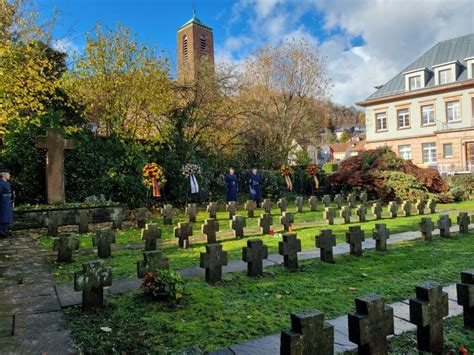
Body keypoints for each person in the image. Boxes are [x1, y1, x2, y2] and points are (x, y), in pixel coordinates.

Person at [0, 169, 13, 238]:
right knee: (3, 217)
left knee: (7, 217)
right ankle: (1, 232)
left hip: (7, 202)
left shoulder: (7, 183)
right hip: (2, 203)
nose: (9, 175)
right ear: (4, 175)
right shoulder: (0, 183)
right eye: (8, 174)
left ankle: (5, 230)